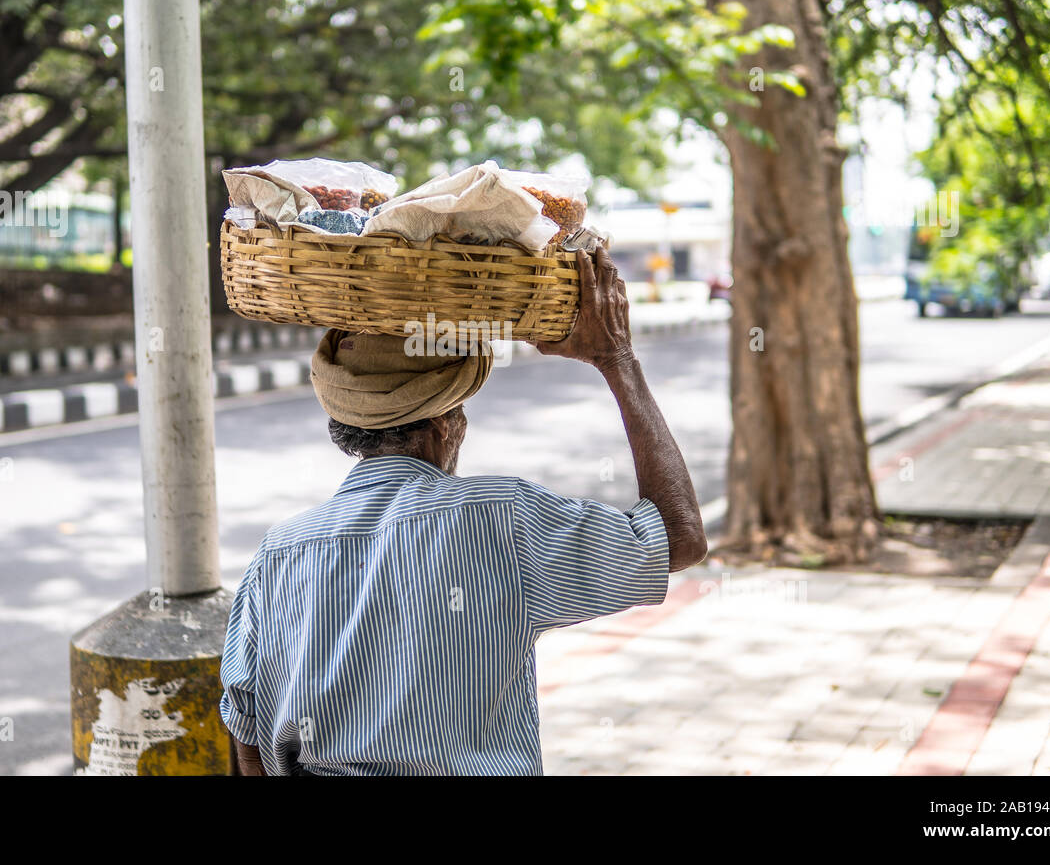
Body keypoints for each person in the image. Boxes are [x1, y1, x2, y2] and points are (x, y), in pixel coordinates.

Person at [219, 247, 707, 775]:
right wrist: (618, 360)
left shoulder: (280, 551)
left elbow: (245, 726)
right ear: (446, 425)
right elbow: (677, 538)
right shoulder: (501, 517)